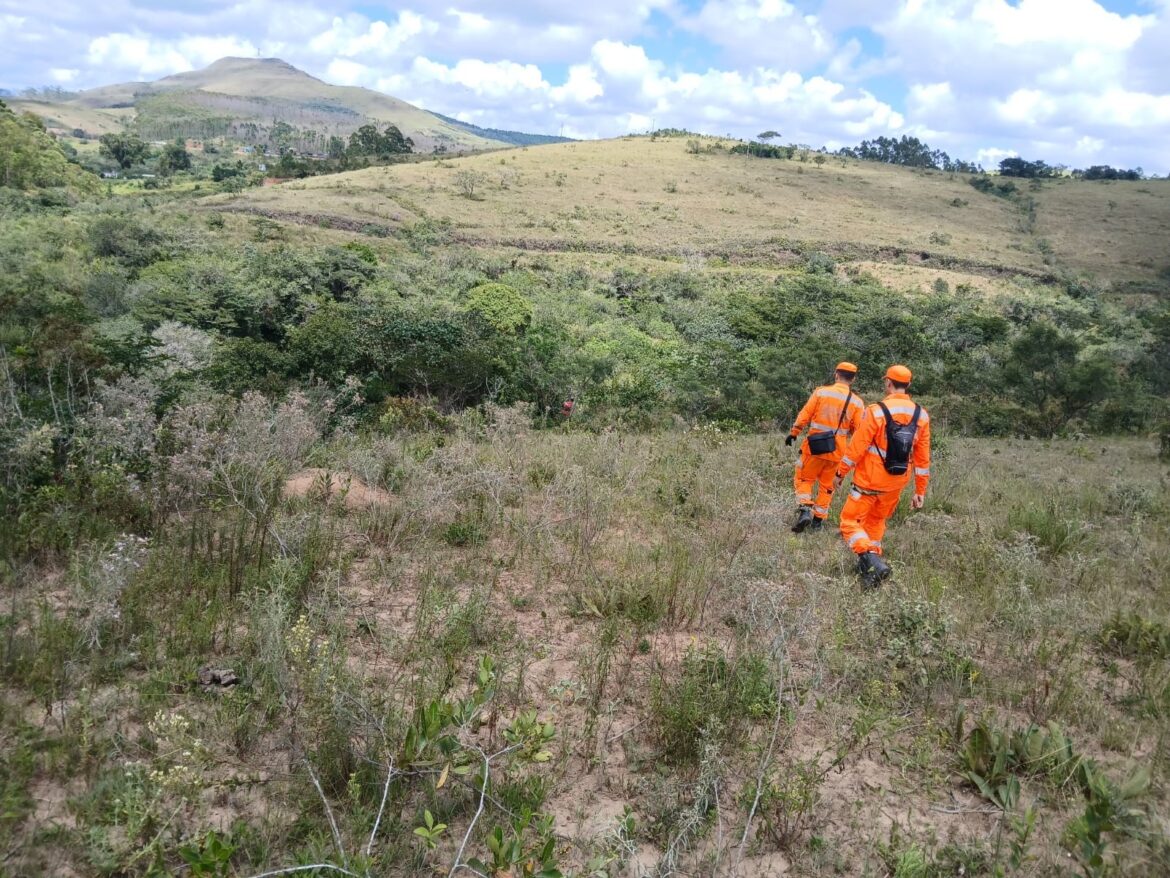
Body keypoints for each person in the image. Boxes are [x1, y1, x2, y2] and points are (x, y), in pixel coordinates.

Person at [832, 364, 931, 588]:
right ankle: (869, 570)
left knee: (849, 522)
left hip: (868, 481)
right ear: (909, 385)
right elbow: (922, 459)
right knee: (876, 522)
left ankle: (872, 560)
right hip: (896, 483)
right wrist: (920, 490)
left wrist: (840, 473)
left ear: (888, 383)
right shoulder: (921, 415)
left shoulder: (876, 411)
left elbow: (857, 447)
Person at [785, 362, 865, 533]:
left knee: (804, 479)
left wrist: (794, 432)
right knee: (827, 486)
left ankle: (805, 509)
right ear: (853, 379)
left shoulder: (821, 392)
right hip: (837, 451)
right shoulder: (857, 403)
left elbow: (805, 413)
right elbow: (859, 431)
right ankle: (818, 522)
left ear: (836, 374)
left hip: (814, 447)